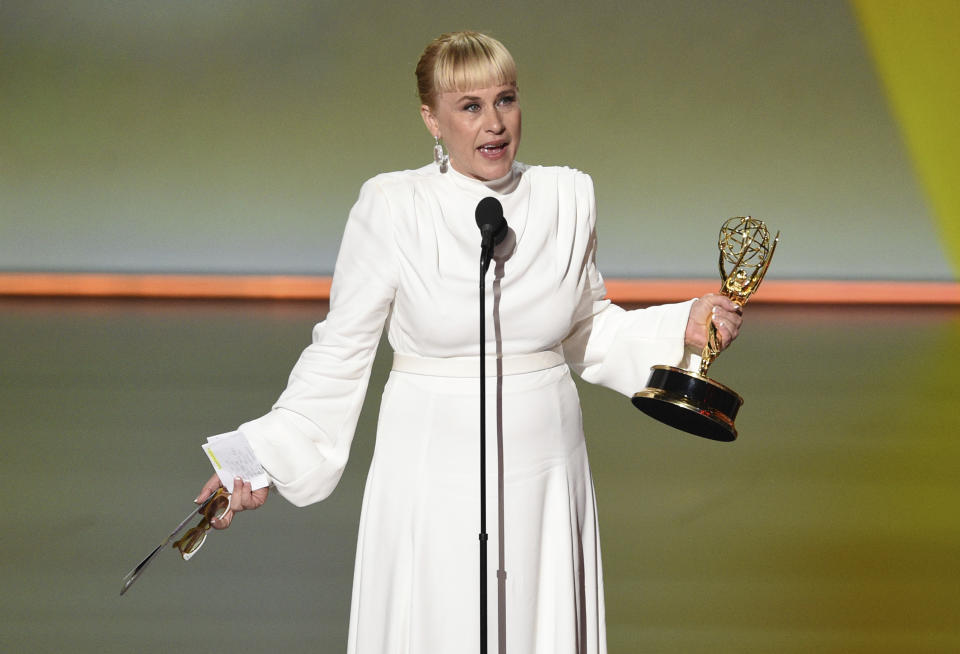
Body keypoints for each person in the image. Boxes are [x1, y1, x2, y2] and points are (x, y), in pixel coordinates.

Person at [196, 30, 742, 654]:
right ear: (431, 119)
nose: (495, 124)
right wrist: (256, 456)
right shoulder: (394, 207)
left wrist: (682, 325)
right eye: (470, 106)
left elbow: (587, 329)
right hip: (430, 470)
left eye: (505, 100)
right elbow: (340, 351)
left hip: (545, 469)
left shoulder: (565, 198)